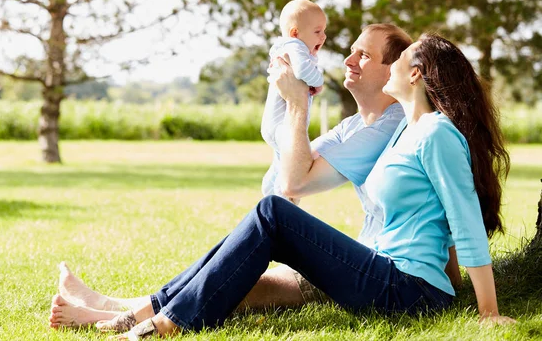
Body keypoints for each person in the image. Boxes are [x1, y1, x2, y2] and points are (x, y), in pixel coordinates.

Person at [49, 32, 516, 339]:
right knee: (267, 221)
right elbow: (298, 176)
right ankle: (145, 318)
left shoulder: (436, 133)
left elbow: (464, 219)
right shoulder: (402, 131)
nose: (383, 65)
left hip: (408, 288)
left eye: (396, 60)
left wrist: (487, 310)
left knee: (272, 214)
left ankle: (163, 324)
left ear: (414, 74)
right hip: (386, 270)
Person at [261, 0, 326, 198]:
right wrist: (319, 81)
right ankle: (282, 202)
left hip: (277, 123)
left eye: (324, 31)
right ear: (295, 33)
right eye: (317, 31)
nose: (323, 37)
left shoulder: (291, 47)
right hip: (283, 124)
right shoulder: (295, 46)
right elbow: (303, 69)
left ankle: (268, 193)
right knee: (290, 166)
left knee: (280, 163)